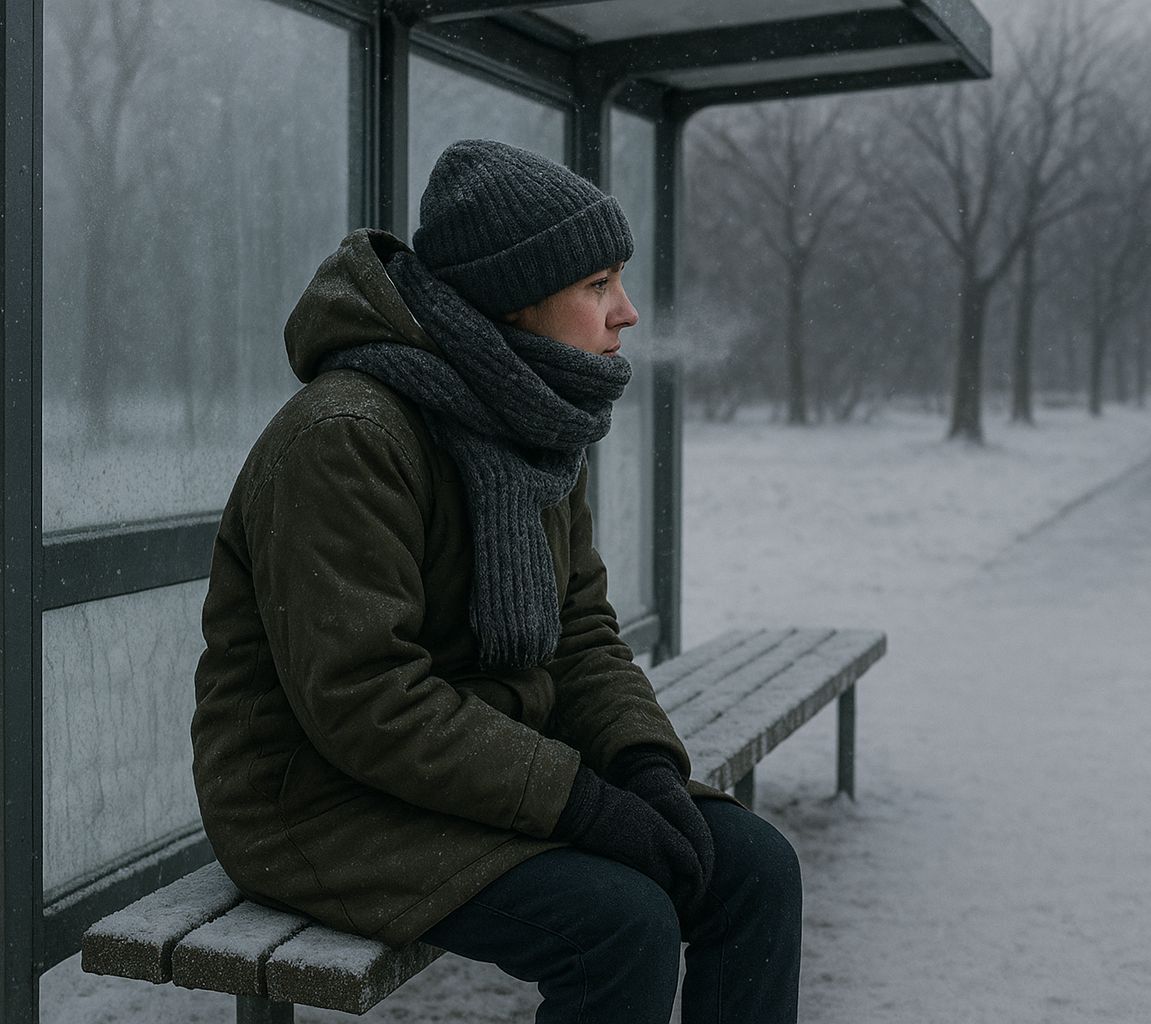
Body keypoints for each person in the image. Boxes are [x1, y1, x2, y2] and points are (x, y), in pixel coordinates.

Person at [191, 139, 802, 1023]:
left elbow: (580, 634)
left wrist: (642, 768)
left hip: (476, 762)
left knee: (753, 871)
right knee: (621, 926)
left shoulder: (534, 420)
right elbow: (367, 702)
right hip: (317, 800)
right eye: (598, 284)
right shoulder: (345, 437)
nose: (627, 311)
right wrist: (581, 803)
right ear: (513, 302)